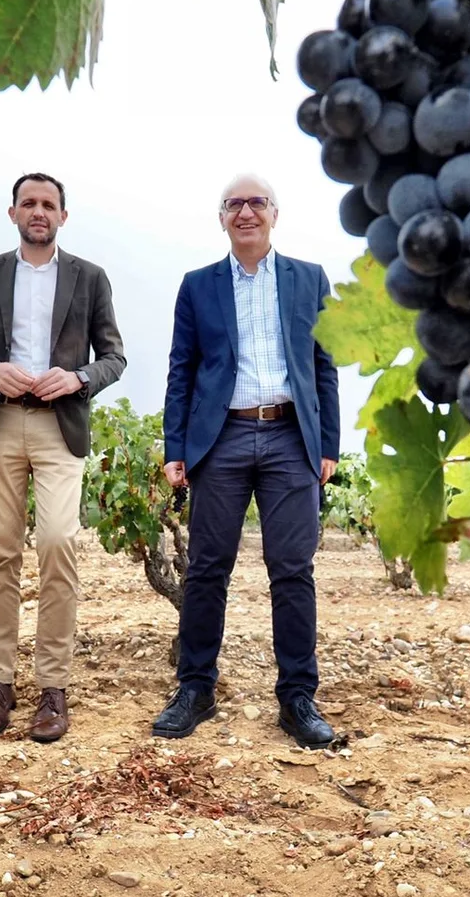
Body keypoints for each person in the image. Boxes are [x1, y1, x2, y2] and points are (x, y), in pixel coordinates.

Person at [153, 174, 341, 750]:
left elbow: (324, 365)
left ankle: (297, 698)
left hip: (290, 438)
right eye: (234, 204)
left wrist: (327, 444)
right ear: (222, 219)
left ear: (274, 215)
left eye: (256, 202)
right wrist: (176, 448)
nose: (246, 212)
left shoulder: (309, 280)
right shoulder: (198, 285)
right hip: (224, 438)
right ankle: (196, 688)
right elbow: (181, 368)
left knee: (292, 569)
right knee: (209, 567)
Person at [0, 172, 127, 742]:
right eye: (30, 203)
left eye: (49, 204)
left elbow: (114, 357)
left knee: (57, 544)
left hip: (59, 426)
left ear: (63, 217)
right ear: (13, 213)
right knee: (0, 554)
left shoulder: (91, 278)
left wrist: (77, 378)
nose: (39, 212)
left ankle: (53, 688)